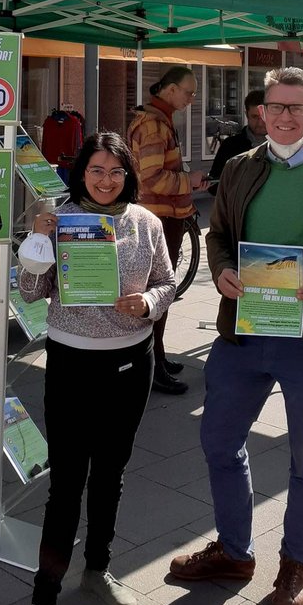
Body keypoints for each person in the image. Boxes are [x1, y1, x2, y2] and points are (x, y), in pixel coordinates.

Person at [168, 67, 303, 605]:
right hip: (244, 331)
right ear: (261, 112)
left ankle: (295, 564)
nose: (285, 116)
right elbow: (218, 235)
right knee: (219, 442)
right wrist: (219, 271)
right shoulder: (241, 167)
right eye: (276, 106)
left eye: (297, 108)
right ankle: (235, 552)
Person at [17, 131, 176, 605]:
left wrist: (148, 304)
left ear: (128, 174)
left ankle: (96, 571)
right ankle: (45, 593)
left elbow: (167, 283)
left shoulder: (146, 223)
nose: (106, 181)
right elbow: (30, 290)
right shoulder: (59, 220)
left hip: (131, 365)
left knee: (111, 473)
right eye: (96, 171)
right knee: (66, 484)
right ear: (81, 173)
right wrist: (38, 240)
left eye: (116, 171)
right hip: (70, 365)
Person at [127, 65, 207, 394]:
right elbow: (150, 178)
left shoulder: (159, 119)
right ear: (170, 90)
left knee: (160, 294)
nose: (192, 99)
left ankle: (156, 356)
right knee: (158, 294)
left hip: (162, 218)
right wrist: (189, 181)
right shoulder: (153, 124)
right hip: (158, 220)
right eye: (189, 92)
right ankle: (151, 365)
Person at [208, 89, 266, 191]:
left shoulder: (283, 145)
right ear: (246, 114)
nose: (260, 123)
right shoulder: (230, 145)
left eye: (263, 117)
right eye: (255, 117)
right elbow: (214, 185)